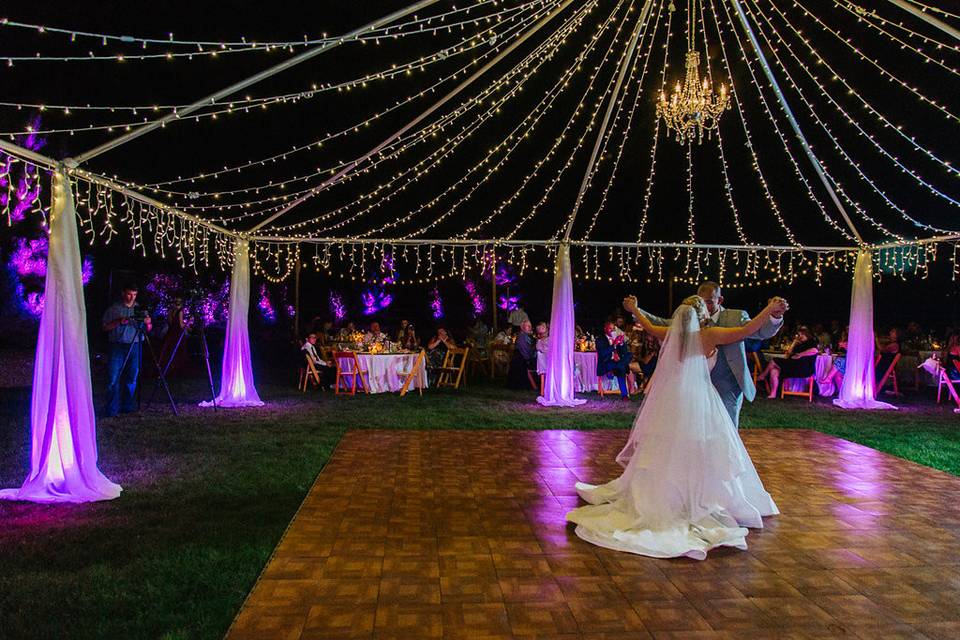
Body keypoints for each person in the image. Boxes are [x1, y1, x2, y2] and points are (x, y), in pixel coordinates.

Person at [566, 295, 784, 560]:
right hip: (700, 399)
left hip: (670, 398)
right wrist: (769, 310)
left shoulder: (672, 333)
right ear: (702, 312)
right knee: (700, 448)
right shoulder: (710, 335)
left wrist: (635, 308)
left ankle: (667, 496)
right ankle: (696, 498)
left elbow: (647, 325)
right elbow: (746, 331)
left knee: (665, 446)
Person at [629, 282, 786, 427]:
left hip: (727, 385)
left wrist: (774, 316)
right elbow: (659, 323)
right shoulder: (692, 327)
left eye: (710, 301)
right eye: (703, 302)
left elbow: (759, 331)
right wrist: (636, 310)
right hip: (695, 390)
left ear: (720, 300)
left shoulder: (735, 316)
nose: (706, 306)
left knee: (727, 428)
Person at [102, 283, 152, 417]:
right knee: (113, 378)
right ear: (123, 293)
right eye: (129, 294)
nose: (132, 297)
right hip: (118, 345)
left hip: (135, 345)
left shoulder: (139, 309)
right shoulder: (114, 309)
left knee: (132, 377)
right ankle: (112, 409)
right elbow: (104, 327)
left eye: (134, 295)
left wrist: (147, 323)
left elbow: (148, 329)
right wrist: (119, 321)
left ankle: (127, 406)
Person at [757, 326, 819, 398]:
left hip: (803, 368)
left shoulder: (811, 342)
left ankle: (763, 375)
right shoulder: (799, 344)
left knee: (774, 360)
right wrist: (794, 341)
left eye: (802, 334)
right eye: (799, 335)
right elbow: (789, 353)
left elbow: (815, 350)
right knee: (774, 370)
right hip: (793, 365)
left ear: (807, 335)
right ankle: (773, 394)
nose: (800, 336)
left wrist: (801, 354)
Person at [596, 320, 637, 399]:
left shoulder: (616, 337)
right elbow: (602, 353)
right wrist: (614, 345)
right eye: (610, 328)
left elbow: (624, 352)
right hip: (606, 362)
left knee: (629, 355)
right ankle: (624, 395)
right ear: (605, 329)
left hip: (617, 361)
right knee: (621, 367)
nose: (612, 330)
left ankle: (618, 366)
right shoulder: (600, 339)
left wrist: (621, 343)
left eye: (613, 329)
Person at [507, 320, 536, 389]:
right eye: (528, 326)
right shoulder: (522, 337)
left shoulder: (526, 336)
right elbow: (526, 353)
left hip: (522, 361)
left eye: (531, 326)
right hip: (520, 364)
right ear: (522, 327)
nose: (530, 328)